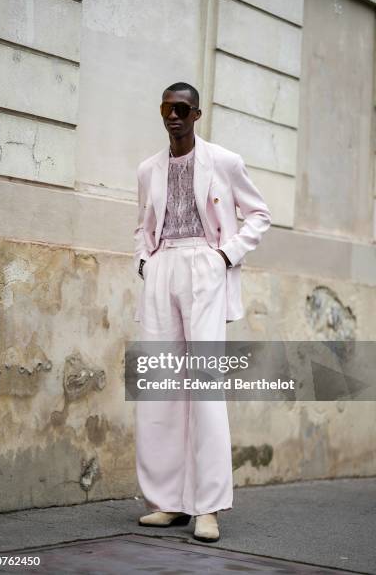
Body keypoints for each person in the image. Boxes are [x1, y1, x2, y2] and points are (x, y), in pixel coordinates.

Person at [133, 82, 272, 542]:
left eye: (181, 109)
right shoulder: (148, 169)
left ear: (197, 114)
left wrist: (225, 256)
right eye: (166, 108)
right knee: (160, 385)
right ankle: (168, 502)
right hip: (163, 266)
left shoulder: (225, 162)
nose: (172, 116)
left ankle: (208, 507)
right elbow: (143, 225)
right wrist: (144, 261)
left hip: (206, 265)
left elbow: (259, 214)